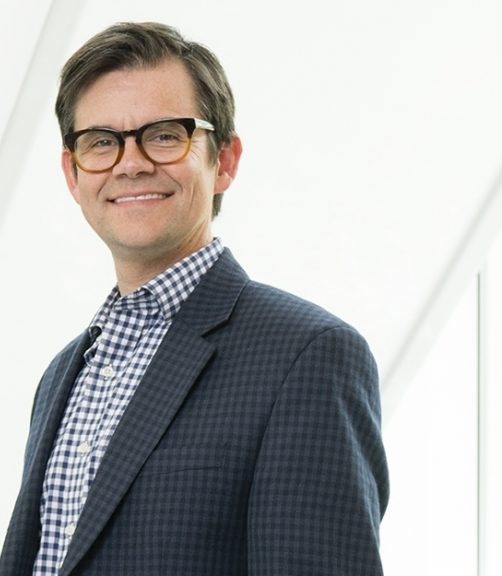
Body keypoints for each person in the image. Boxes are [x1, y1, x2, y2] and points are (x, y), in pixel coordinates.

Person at [0, 21, 388, 576]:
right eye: (101, 142)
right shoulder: (62, 374)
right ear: (72, 173)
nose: (131, 163)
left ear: (224, 160)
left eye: (164, 135)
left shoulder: (307, 357)